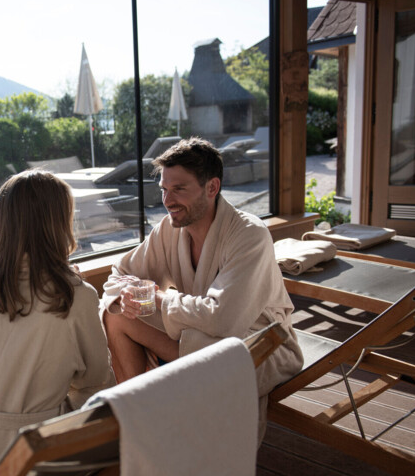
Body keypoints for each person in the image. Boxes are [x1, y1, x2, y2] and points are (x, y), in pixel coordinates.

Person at [101, 137, 303, 440]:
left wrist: (156, 297)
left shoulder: (249, 235)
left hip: (258, 345)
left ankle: (154, 420)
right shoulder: (169, 228)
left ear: (212, 187)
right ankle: (135, 419)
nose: (167, 200)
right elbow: (120, 272)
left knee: (203, 336)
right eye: (164, 190)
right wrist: (130, 297)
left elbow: (224, 320)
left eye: (179, 189)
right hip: (194, 336)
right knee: (115, 313)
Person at [0, 170, 115, 476]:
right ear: (58, 223)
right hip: (35, 458)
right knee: (105, 396)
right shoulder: (74, 295)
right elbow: (94, 377)